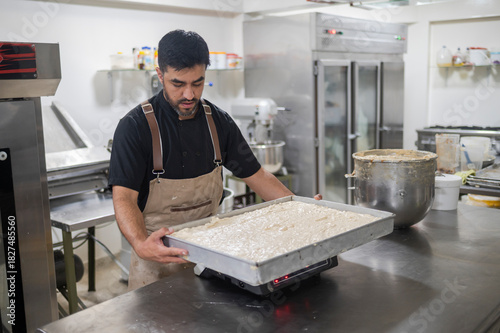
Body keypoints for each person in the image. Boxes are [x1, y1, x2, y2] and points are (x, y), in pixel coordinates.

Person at [108, 29, 319, 290]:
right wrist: (140, 244)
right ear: (160, 75)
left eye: (197, 83)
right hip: (157, 258)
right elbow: (124, 197)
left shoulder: (218, 122)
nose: (189, 95)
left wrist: (301, 209)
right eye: (178, 83)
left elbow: (258, 176)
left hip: (211, 256)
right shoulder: (135, 127)